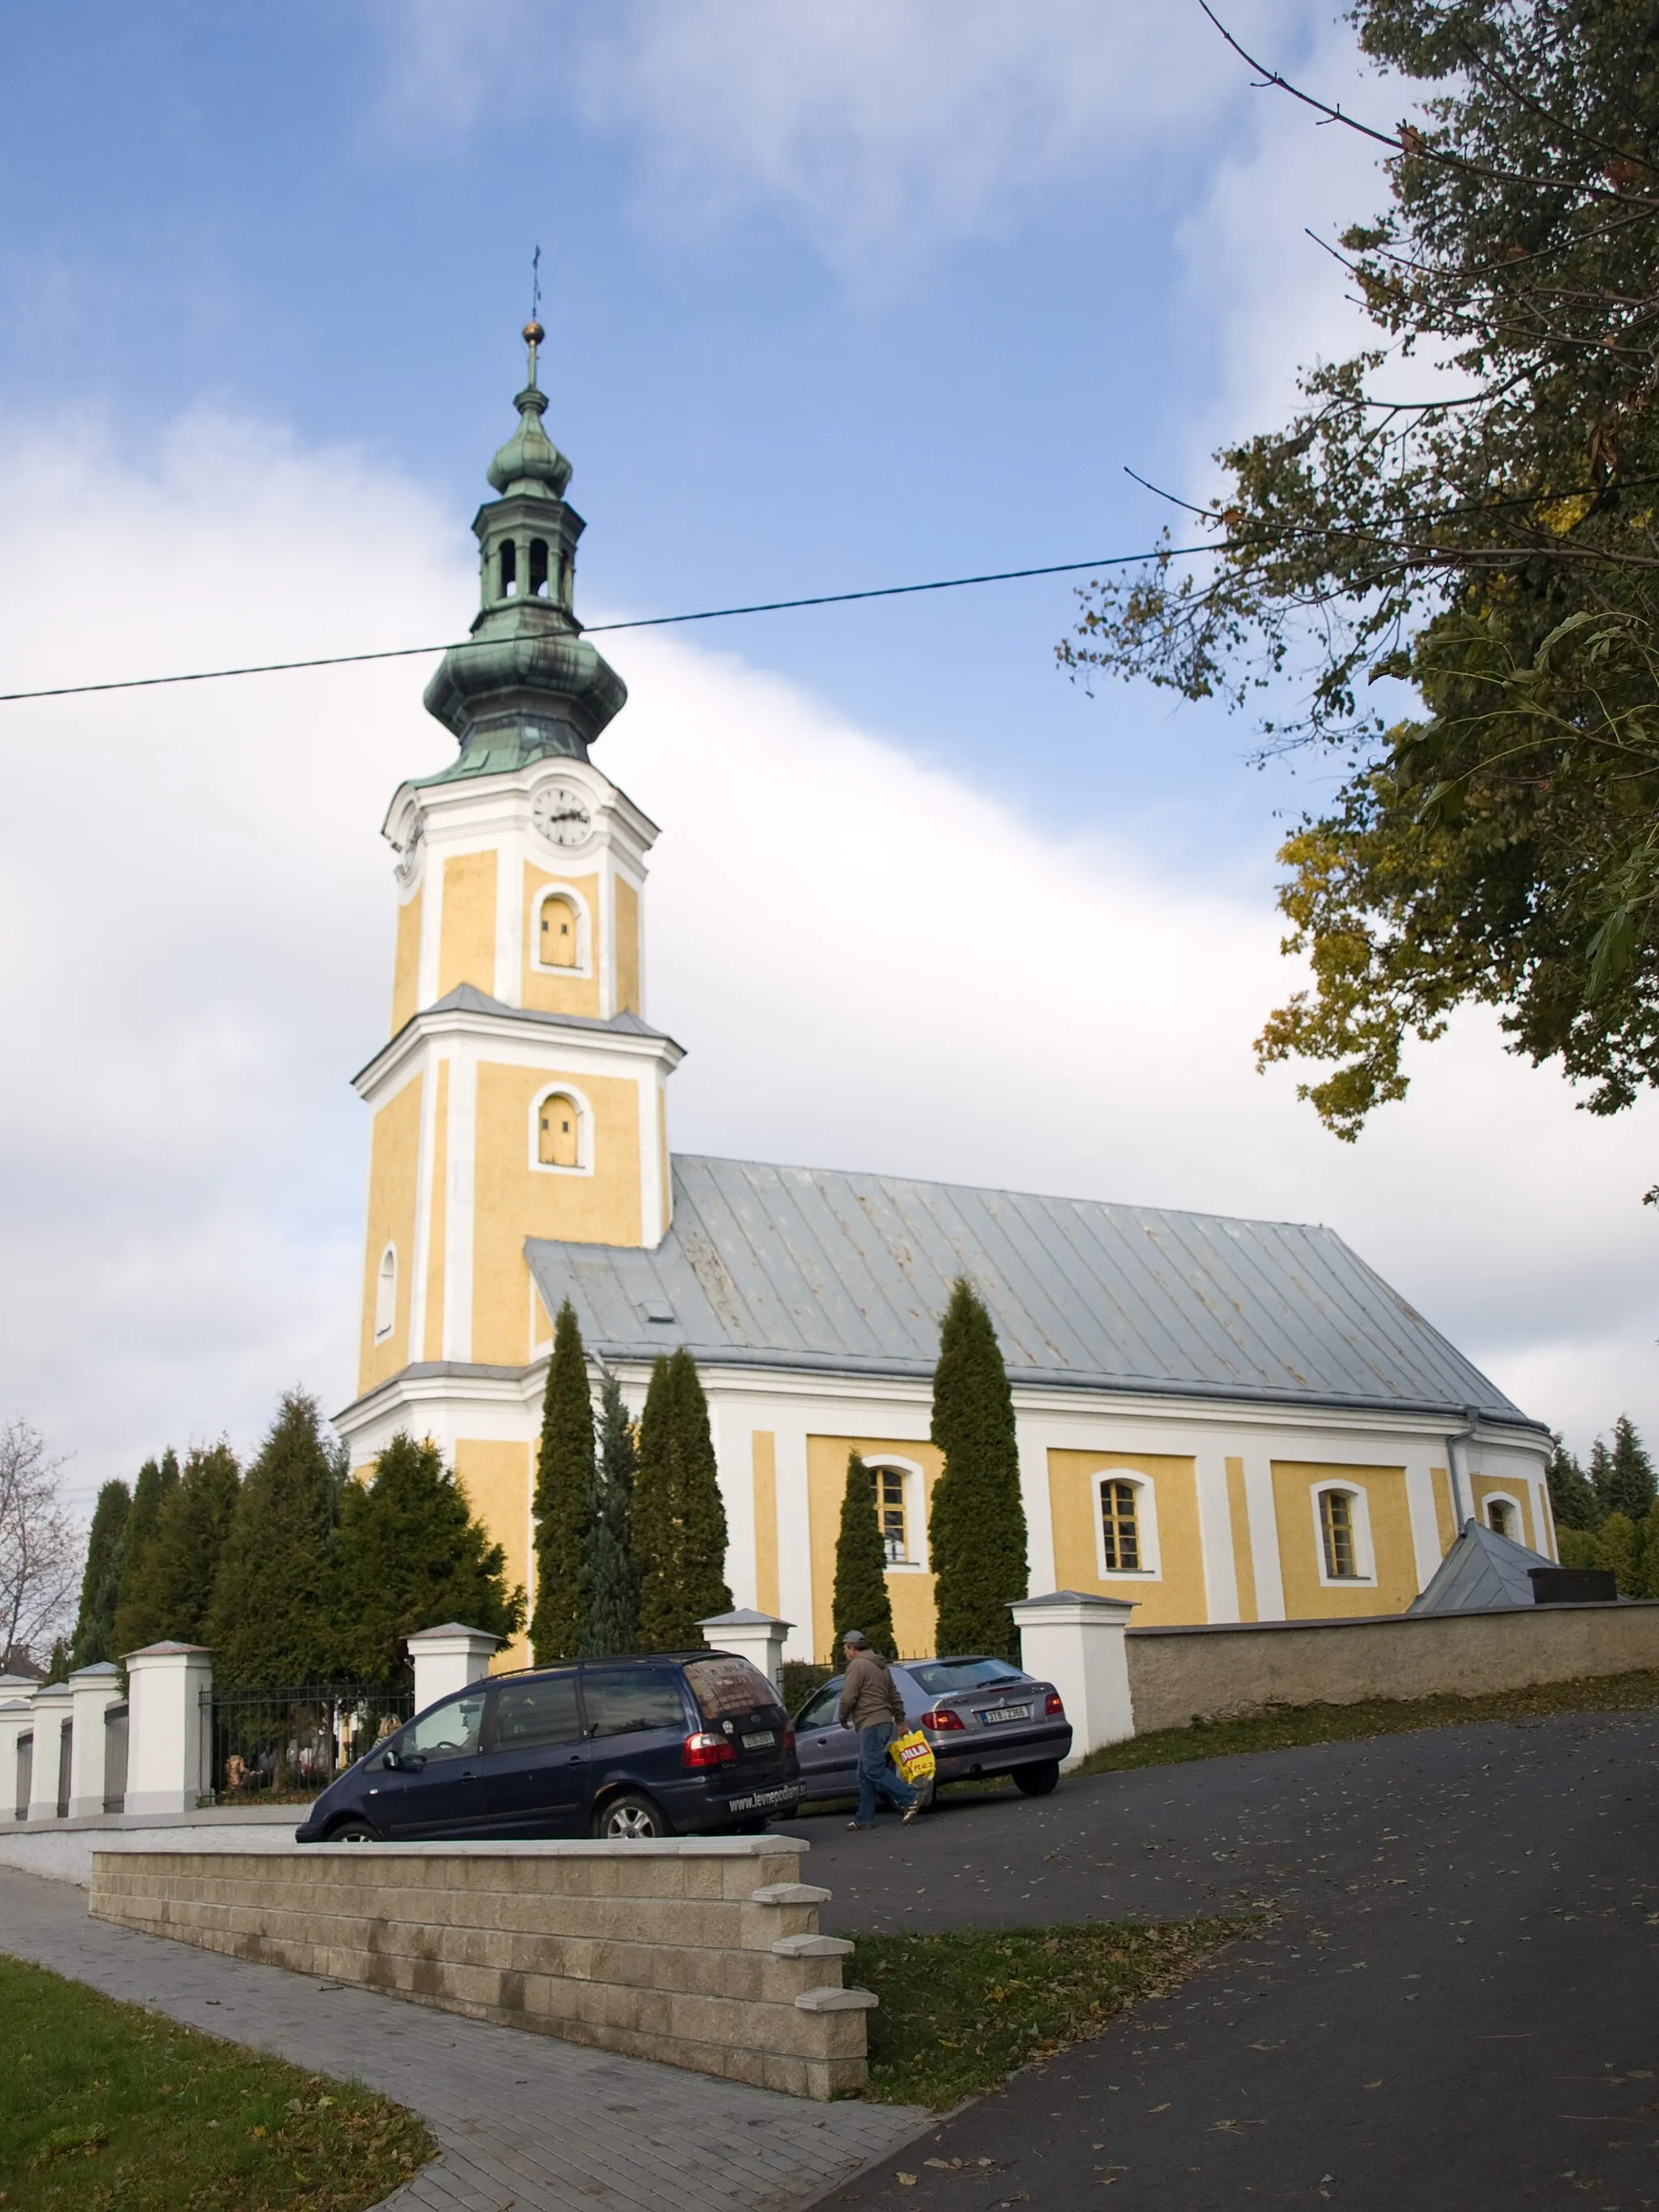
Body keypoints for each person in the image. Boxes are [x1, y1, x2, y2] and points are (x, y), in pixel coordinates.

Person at [836, 1629, 919, 1831]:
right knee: (865, 1773)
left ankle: (911, 1796)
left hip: (870, 1723)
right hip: (885, 1722)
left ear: (852, 1648)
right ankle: (864, 1818)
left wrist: (842, 1716)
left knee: (873, 1769)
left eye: (845, 1649)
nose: (845, 1653)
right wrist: (899, 1721)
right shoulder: (881, 1665)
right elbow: (894, 1695)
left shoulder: (857, 1666)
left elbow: (848, 1696)